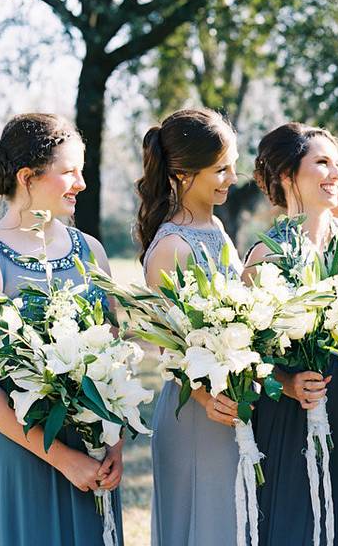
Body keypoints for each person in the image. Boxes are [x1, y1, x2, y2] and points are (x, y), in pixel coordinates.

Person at [0, 113, 123, 546]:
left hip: (93, 451)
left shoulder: (92, 251)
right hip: (22, 452)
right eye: (69, 172)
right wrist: (63, 459)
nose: (81, 183)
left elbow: (116, 351)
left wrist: (114, 443)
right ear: (28, 177)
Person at [242, 122, 338, 545]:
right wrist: (287, 382)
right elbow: (244, 355)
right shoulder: (265, 255)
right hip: (292, 413)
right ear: (288, 175)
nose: (335, 174)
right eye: (322, 163)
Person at [136, 108, 247, 546]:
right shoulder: (172, 247)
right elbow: (167, 347)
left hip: (228, 403)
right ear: (183, 174)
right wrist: (206, 397)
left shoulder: (216, 227)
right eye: (220, 169)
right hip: (195, 409)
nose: (231, 177)